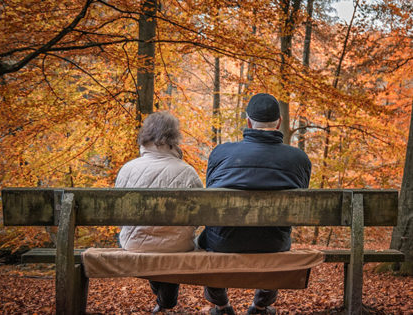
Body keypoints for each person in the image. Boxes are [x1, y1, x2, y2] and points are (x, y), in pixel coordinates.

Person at [198, 93, 311, 315]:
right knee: (274, 235)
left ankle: (221, 306)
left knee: (210, 235)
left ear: (248, 122)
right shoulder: (299, 159)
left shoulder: (220, 153)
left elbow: (210, 195)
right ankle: (260, 306)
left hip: (223, 243)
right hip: (273, 243)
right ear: (279, 123)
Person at [115, 111, 203, 314]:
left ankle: (164, 304)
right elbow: (199, 216)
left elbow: (121, 216)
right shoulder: (187, 171)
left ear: (145, 137)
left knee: (154, 246)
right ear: (174, 138)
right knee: (172, 245)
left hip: (134, 243)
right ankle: (166, 303)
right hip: (178, 244)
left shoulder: (127, 169)